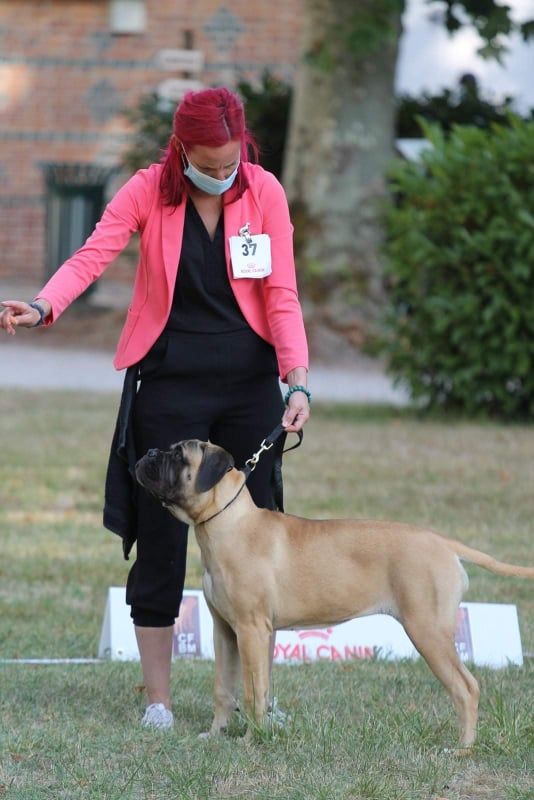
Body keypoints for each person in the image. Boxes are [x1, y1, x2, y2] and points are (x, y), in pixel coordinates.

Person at [0, 87, 310, 730]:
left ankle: (257, 698)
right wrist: (45, 304)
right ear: (181, 149)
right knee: (163, 541)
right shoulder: (149, 189)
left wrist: (297, 380)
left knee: (256, 544)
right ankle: (159, 701)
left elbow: (282, 292)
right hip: (170, 385)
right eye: (209, 163)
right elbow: (94, 252)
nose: (223, 175)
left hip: (250, 388)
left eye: (232, 163)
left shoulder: (264, 193)